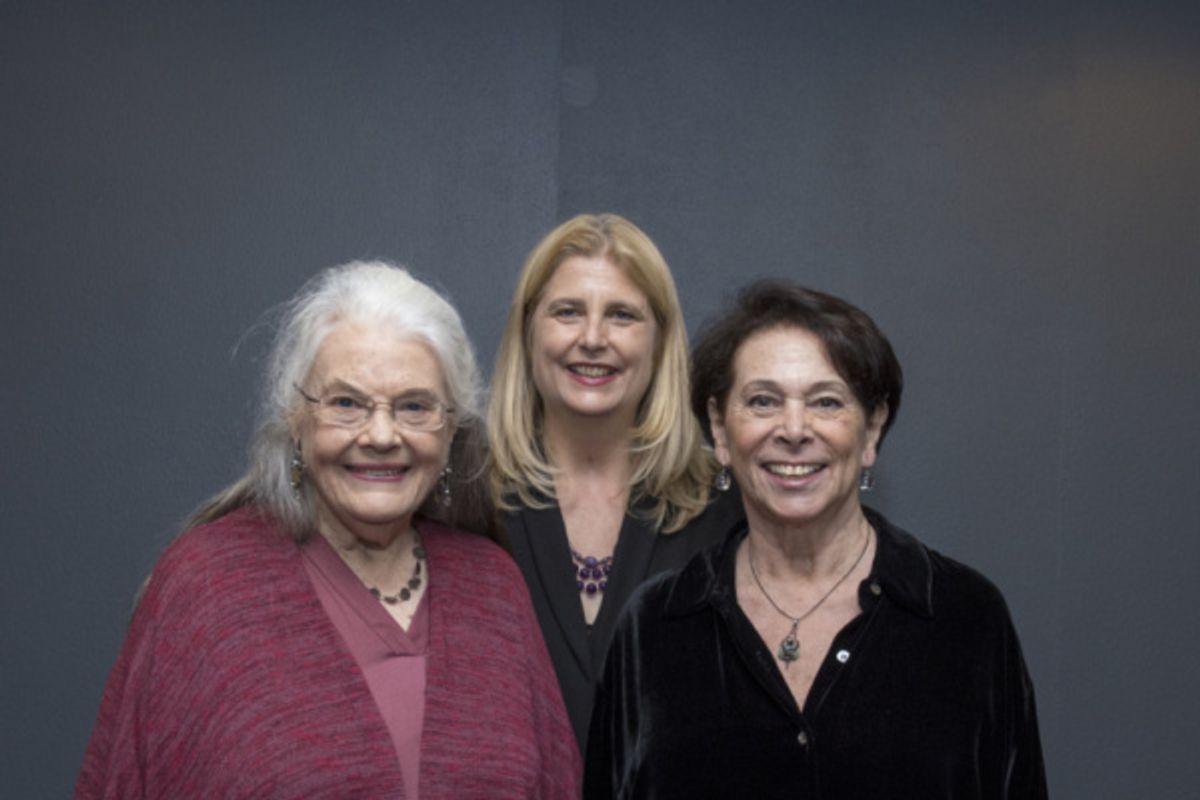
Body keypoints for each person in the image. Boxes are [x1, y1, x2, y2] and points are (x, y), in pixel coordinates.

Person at [77, 261, 579, 799]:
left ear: (451, 427)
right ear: (295, 418)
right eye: (346, 403)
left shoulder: (494, 587)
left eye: (414, 406)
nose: (382, 434)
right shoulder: (203, 587)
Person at [585, 281, 1047, 798]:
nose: (795, 429)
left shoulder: (965, 620)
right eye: (763, 401)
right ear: (719, 428)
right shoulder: (654, 629)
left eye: (827, 402)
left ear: (872, 429)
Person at [487, 213, 742, 752]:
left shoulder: (728, 508)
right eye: (567, 312)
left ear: (660, 341)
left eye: (622, 315)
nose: (593, 338)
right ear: (528, 330)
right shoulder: (466, 501)